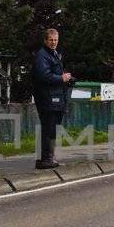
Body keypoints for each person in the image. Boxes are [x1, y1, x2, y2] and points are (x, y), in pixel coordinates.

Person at [31, 28, 73, 169]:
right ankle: (45, 159)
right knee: (48, 128)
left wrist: (67, 78)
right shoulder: (42, 56)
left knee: (53, 128)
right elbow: (44, 75)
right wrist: (61, 78)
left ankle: (50, 157)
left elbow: (55, 73)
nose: (54, 42)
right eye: (51, 40)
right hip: (47, 98)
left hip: (56, 97)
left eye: (55, 40)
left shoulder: (55, 55)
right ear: (45, 40)